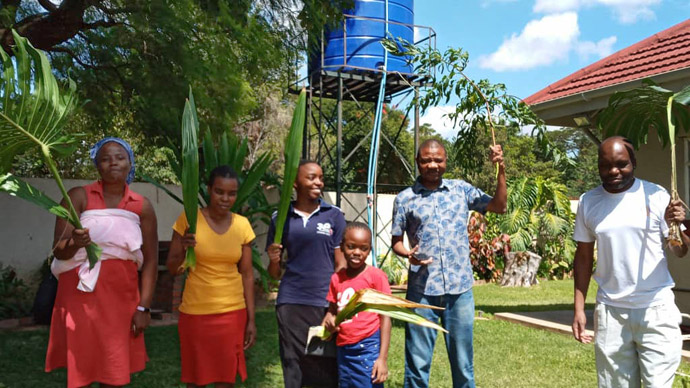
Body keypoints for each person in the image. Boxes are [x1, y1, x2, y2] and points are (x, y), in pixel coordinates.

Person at [572, 136, 689, 388]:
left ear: (633, 162)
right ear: (598, 166)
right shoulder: (588, 201)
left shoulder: (656, 196)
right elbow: (582, 257)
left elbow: (679, 252)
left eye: (622, 164)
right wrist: (579, 309)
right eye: (606, 165)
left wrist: (679, 226)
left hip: (655, 309)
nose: (614, 171)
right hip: (611, 314)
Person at [391, 139, 506, 388]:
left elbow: (499, 206)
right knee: (417, 365)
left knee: (463, 366)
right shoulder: (404, 199)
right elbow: (396, 241)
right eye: (426, 160)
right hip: (422, 292)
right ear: (418, 162)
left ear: (445, 161)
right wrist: (407, 253)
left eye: (438, 160)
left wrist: (501, 170)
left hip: (459, 291)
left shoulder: (461, 190)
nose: (433, 164)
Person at [45, 137, 159, 388]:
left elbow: (151, 261)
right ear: (97, 165)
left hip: (122, 299)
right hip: (79, 296)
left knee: (115, 371)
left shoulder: (142, 206)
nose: (113, 163)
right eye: (105, 159)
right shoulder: (77, 197)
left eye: (119, 157)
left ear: (130, 163)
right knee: (81, 370)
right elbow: (59, 252)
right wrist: (76, 243)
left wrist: (144, 308)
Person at [166, 165, 256, 388]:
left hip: (232, 313)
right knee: (196, 379)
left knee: (225, 379)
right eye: (219, 191)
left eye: (231, 193)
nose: (225, 198)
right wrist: (183, 248)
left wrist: (251, 319)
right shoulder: (189, 220)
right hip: (196, 313)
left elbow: (246, 274)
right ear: (209, 190)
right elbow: (172, 267)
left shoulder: (242, 225)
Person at [266, 160, 346, 388]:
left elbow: (340, 266)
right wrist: (273, 260)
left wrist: (333, 308)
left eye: (320, 177)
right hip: (291, 301)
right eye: (311, 177)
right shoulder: (280, 218)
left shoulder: (334, 216)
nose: (318, 182)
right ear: (295, 182)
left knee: (325, 367)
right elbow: (274, 273)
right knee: (293, 365)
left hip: (324, 301)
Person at [323, 222, 392, 388]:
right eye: (351, 246)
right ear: (342, 247)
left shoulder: (376, 277)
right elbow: (332, 309)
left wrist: (382, 359)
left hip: (368, 346)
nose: (357, 253)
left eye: (364, 248)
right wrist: (329, 319)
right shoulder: (336, 278)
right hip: (343, 348)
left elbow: (385, 317)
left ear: (369, 250)